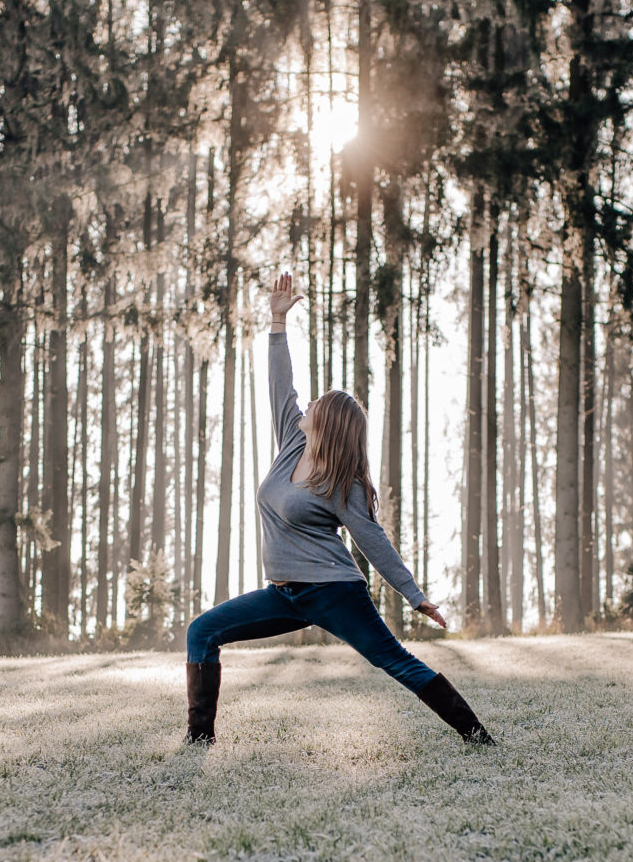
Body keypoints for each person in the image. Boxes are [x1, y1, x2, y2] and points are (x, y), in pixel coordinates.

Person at [184, 273, 495, 747]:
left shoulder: (343, 482)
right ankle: (198, 739)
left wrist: (414, 595)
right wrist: (276, 321)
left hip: (335, 592)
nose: (305, 403)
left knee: (394, 661)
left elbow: (372, 539)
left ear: (327, 422)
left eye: (316, 404)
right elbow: (278, 381)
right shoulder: (292, 439)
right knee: (202, 632)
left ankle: (477, 736)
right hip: (284, 593)